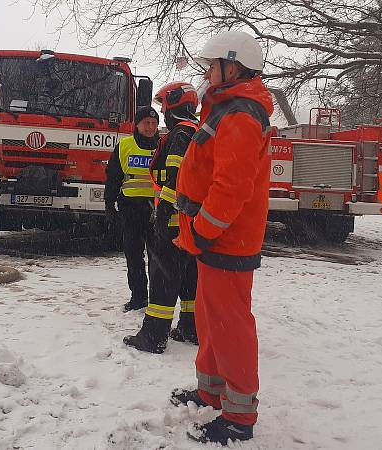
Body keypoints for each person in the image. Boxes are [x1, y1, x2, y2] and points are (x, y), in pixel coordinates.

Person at [168, 30, 273, 445]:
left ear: (234, 67)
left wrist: (206, 230)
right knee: (212, 320)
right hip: (214, 238)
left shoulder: (241, 115)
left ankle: (239, 417)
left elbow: (232, 187)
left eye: (213, 65)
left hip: (226, 239)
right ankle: (212, 391)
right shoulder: (227, 109)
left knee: (230, 325)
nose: (207, 72)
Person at [123, 82, 200, 354]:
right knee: (190, 276)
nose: (163, 111)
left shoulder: (180, 135)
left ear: (175, 105)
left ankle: (153, 336)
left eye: (165, 105)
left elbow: (174, 178)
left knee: (163, 277)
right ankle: (191, 327)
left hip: (173, 220)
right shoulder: (195, 131)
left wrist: (164, 214)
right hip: (191, 221)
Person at [104, 107, 160, 311]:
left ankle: (157, 300)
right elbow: (113, 177)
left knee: (156, 259)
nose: (151, 127)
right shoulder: (125, 146)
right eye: (147, 123)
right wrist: (109, 204)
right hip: (131, 210)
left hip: (156, 211)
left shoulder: (163, 146)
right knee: (134, 256)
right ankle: (138, 297)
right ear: (137, 124)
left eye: (154, 123)